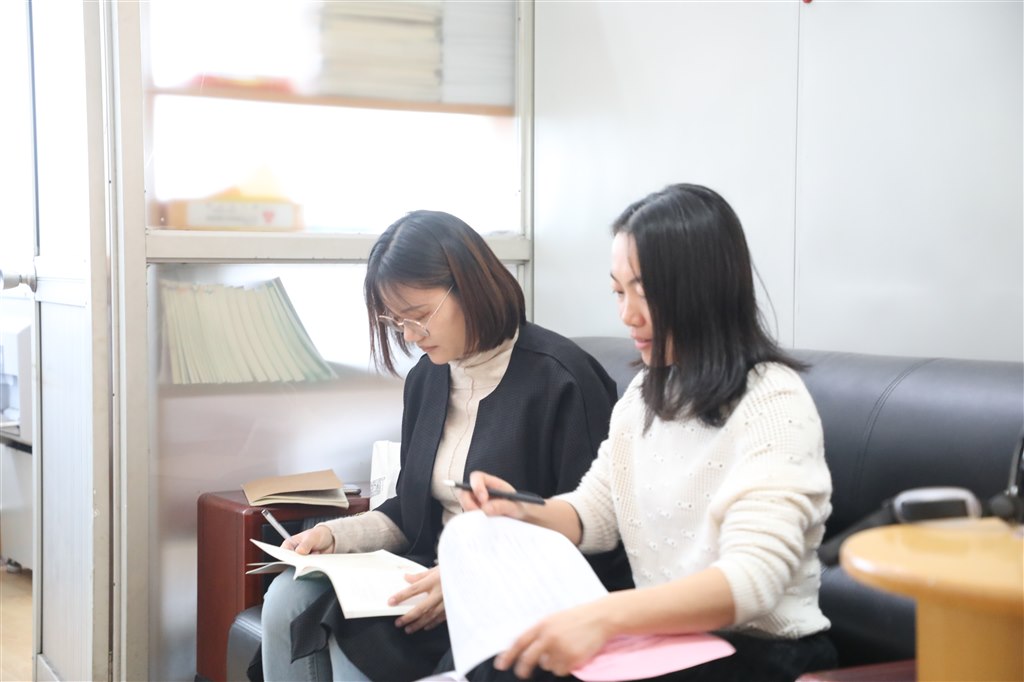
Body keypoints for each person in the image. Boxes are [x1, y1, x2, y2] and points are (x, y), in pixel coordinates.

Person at [457, 183, 837, 682]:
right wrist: (521, 510)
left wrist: (603, 616)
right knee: (500, 665)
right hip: (672, 643)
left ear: (705, 290)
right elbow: (595, 514)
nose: (627, 314)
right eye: (619, 291)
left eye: (646, 291)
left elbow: (752, 582)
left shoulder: (773, 400)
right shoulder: (644, 395)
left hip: (761, 654)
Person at [260, 210, 632, 682]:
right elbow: (413, 508)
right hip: (433, 576)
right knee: (287, 598)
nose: (409, 335)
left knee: (360, 639)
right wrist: (336, 537)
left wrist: (469, 579)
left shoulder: (562, 378)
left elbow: (593, 533)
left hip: (521, 593)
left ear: (470, 287)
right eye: (395, 321)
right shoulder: (428, 378)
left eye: (418, 316)